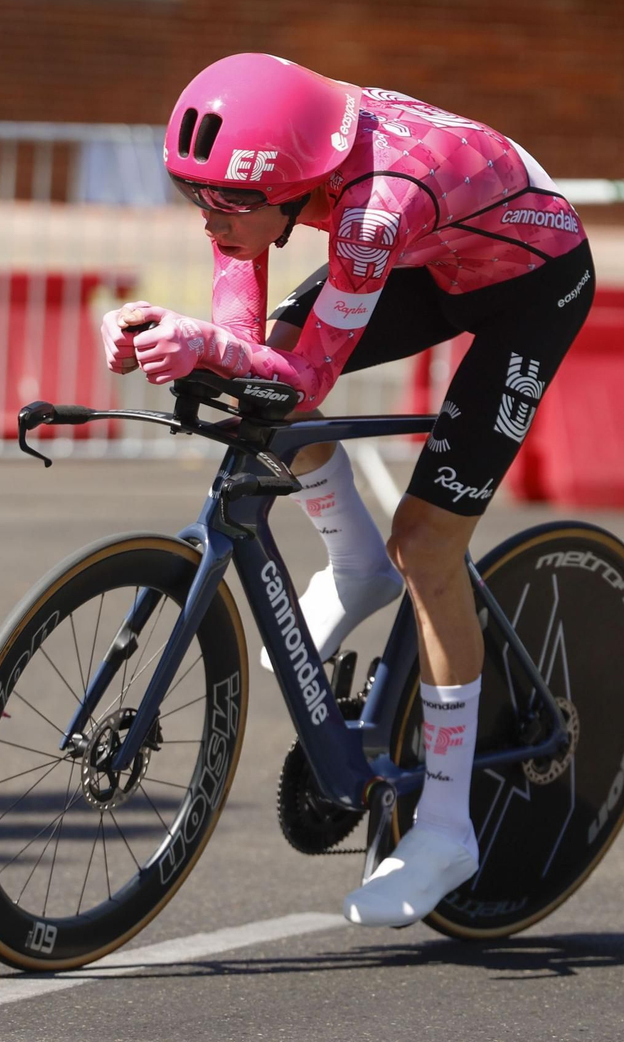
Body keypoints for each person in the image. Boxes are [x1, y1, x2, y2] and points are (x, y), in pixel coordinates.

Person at [98, 53, 595, 927]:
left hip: (531, 282)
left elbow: (301, 380)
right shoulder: (273, 170)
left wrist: (211, 348)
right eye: (197, 198)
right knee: (251, 384)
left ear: (297, 185)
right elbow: (242, 323)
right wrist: (183, 337)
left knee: (428, 544)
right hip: (438, 258)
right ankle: (352, 562)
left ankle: (445, 828)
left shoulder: (372, 210)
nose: (214, 220)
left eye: (234, 204)